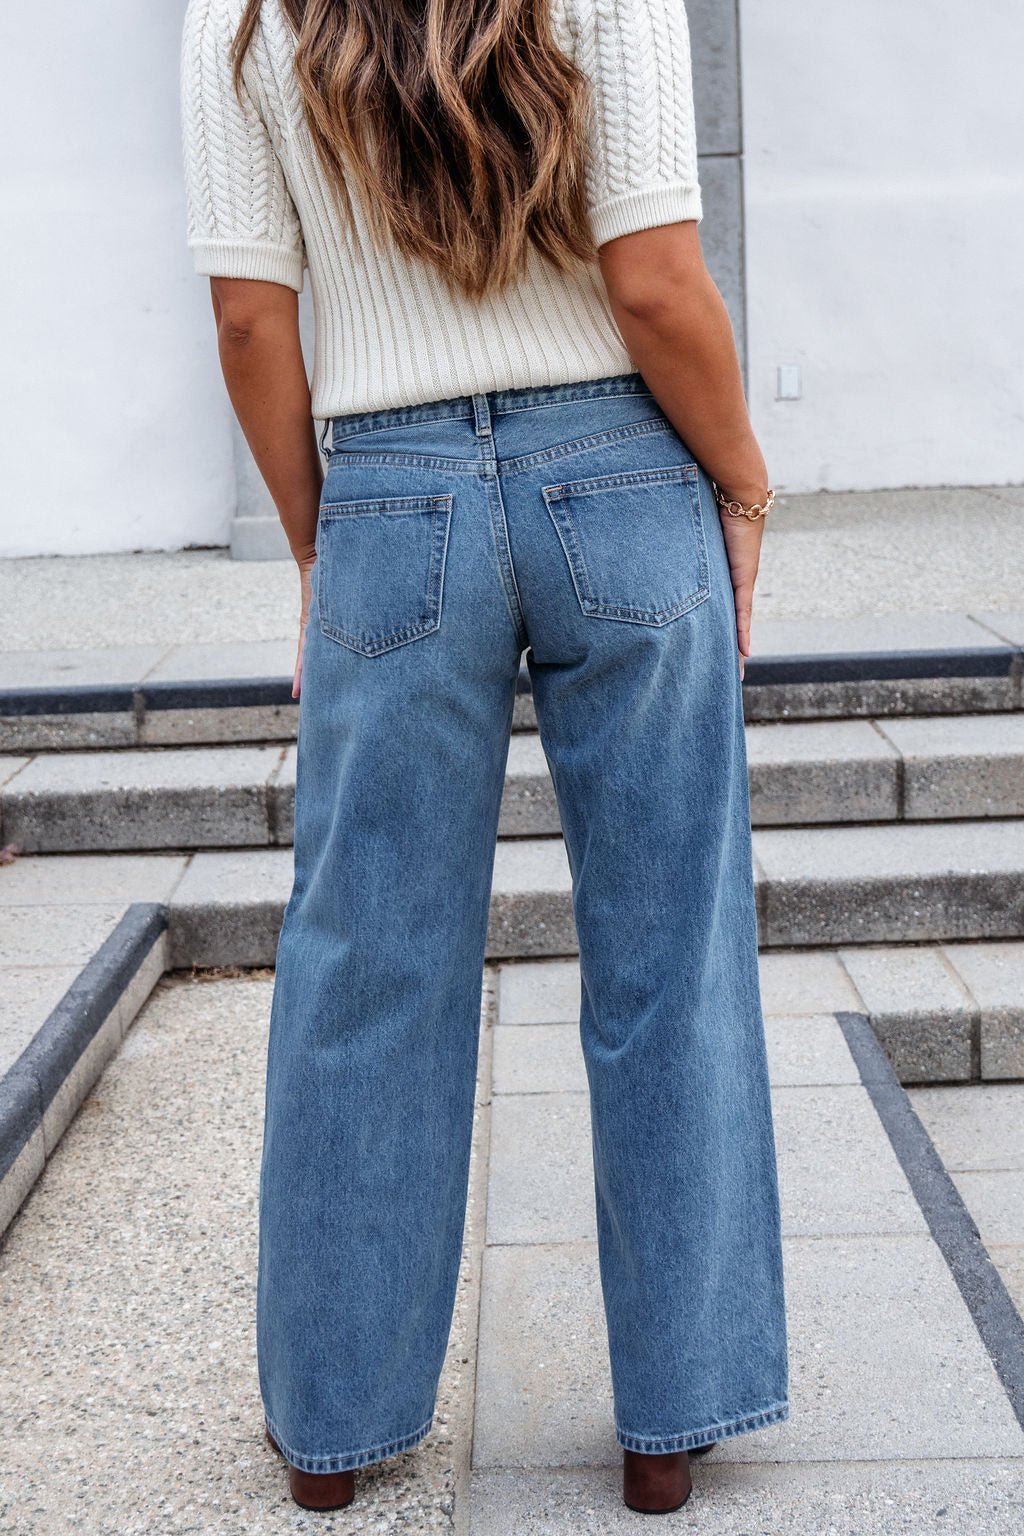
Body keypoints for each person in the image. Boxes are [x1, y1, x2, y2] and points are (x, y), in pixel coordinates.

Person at [180, 0, 789, 1515]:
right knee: (672, 954)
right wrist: (749, 486)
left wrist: (328, 550)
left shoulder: (237, 19)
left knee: (363, 961)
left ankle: (335, 1428)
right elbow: (653, 288)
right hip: (624, 479)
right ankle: (671, 1424)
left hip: (392, 493)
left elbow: (253, 322)